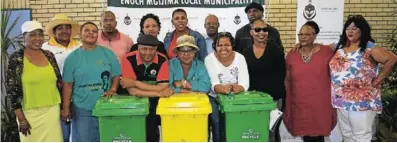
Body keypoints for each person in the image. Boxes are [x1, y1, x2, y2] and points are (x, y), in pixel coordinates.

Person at [329, 15, 397, 142]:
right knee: (346, 135)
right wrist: (301, 46)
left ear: (362, 30)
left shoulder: (369, 48)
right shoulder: (339, 47)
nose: (350, 31)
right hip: (341, 100)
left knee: (361, 136)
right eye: (347, 28)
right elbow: (318, 50)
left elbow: (392, 59)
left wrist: (378, 80)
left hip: (362, 101)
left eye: (354, 28)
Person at [61, 22, 121, 142]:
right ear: (80, 34)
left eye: (94, 31)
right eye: (87, 30)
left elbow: (116, 75)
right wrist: (66, 108)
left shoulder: (107, 53)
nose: (91, 33)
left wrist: (113, 89)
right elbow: (67, 85)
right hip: (82, 109)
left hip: (106, 107)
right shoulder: (72, 58)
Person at [6, 21, 63, 142]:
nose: (37, 38)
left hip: (51, 111)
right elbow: (12, 91)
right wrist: (21, 119)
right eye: (32, 35)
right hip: (28, 113)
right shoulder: (17, 58)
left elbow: (59, 82)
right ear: (24, 37)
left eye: (40, 34)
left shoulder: (49, 55)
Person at [283, 21, 336, 142]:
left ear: (314, 35)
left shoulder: (327, 52)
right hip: (300, 101)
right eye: (300, 34)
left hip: (320, 102)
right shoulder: (292, 54)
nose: (303, 37)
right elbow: (287, 78)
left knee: (318, 132)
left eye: (306, 34)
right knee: (305, 132)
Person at [120, 34, 174, 142]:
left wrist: (134, 83)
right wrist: (157, 93)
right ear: (138, 47)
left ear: (156, 48)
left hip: (152, 103)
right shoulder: (127, 58)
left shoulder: (163, 59)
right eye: (144, 49)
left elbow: (162, 86)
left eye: (152, 49)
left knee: (152, 132)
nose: (148, 53)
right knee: (132, 132)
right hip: (131, 102)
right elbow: (132, 91)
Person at [241, 18, 285, 142]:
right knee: (256, 130)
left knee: (271, 132)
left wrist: (276, 99)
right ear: (251, 32)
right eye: (257, 29)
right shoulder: (246, 52)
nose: (261, 32)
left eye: (264, 29)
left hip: (273, 100)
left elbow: (283, 74)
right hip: (254, 100)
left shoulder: (276, 50)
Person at [168, 35, 216, 141]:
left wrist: (185, 84)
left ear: (195, 52)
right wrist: (185, 89)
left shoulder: (200, 65)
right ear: (177, 53)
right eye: (182, 51)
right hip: (174, 107)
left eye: (189, 50)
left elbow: (205, 87)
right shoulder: (170, 64)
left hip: (197, 106)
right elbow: (168, 86)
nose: (186, 54)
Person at [41, 13, 80, 142]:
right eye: (60, 28)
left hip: (78, 92)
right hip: (56, 94)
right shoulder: (45, 48)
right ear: (54, 31)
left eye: (67, 27)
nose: (64, 31)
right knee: (61, 131)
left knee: (77, 131)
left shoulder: (79, 46)